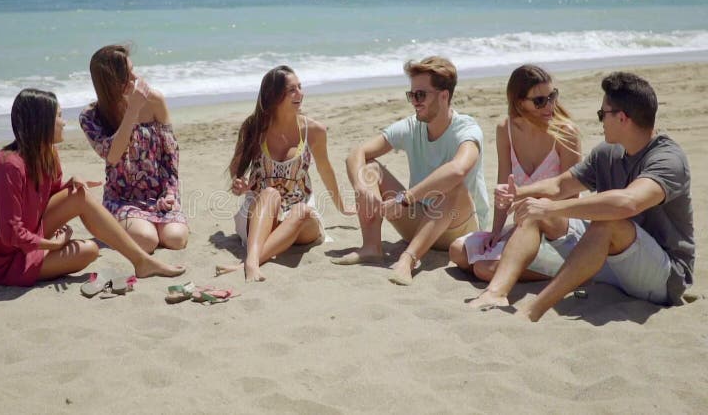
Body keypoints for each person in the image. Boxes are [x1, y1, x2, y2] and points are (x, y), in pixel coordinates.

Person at [476, 72, 694, 320]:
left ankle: (532, 311)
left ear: (622, 118)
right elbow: (561, 186)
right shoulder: (607, 153)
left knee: (605, 221)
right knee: (535, 210)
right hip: (613, 263)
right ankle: (495, 293)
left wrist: (551, 209)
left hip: (662, 277)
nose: (600, 120)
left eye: (603, 114)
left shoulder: (667, 159)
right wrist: (519, 194)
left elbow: (627, 203)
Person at [0, 88, 186, 286]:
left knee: (79, 199)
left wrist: (70, 183)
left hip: (28, 238)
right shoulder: (9, 165)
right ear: (41, 123)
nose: (64, 123)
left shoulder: (48, 153)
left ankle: (142, 262)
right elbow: (10, 234)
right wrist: (52, 245)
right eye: (59, 117)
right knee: (89, 250)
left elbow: (44, 196)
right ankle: (142, 260)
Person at [332, 56, 489, 286]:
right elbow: (356, 153)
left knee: (454, 185)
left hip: (460, 229)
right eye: (412, 95)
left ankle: (408, 259)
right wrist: (361, 187)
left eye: (420, 95)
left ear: (444, 96)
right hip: (419, 222)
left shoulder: (466, 129)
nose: (414, 101)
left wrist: (405, 198)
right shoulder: (412, 126)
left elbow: (457, 170)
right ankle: (371, 247)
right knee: (370, 169)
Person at [448, 65, 583, 288]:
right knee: (457, 251)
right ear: (520, 103)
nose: (549, 105)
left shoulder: (566, 132)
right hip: (521, 226)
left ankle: (564, 269)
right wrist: (497, 231)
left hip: (558, 230)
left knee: (483, 268)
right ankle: (517, 261)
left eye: (552, 96)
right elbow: (504, 186)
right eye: (540, 101)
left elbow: (570, 195)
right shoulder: (506, 129)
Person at [217, 65, 355, 282]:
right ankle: (252, 262)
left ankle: (248, 263)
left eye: (300, 87)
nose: (300, 93)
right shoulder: (254, 127)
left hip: (298, 220)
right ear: (274, 96)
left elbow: (325, 169)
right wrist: (239, 183)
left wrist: (341, 205)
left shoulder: (314, 131)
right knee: (270, 193)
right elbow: (236, 169)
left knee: (302, 211)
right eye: (292, 90)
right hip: (260, 215)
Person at [80, 45, 189, 254]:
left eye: (134, 70)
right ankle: (117, 224)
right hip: (122, 197)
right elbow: (112, 155)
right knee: (147, 240)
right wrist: (132, 110)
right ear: (110, 82)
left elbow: (171, 154)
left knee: (176, 239)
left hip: (159, 194)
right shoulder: (90, 116)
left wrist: (171, 193)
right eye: (127, 75)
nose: (135, 78)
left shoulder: (155, 100)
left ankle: (152, 222)